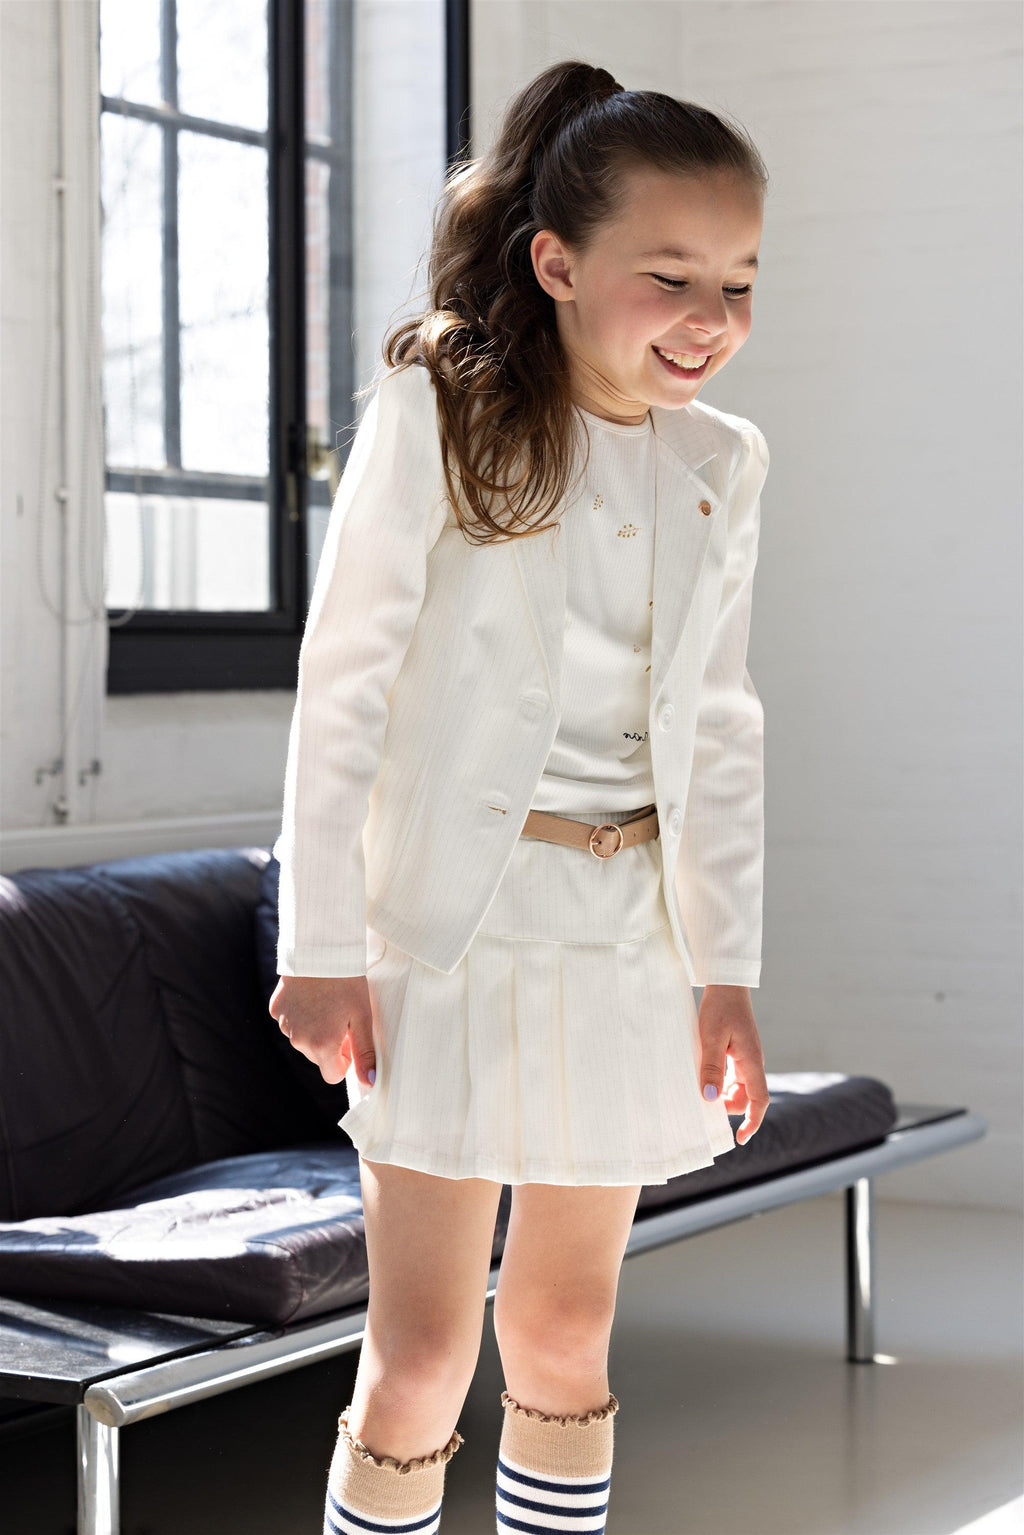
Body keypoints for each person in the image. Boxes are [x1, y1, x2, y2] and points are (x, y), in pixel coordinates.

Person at [270, 57, 772, 1535]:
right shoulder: (441, 412)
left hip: (630, 941)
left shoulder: (724, 463)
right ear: (557, 265)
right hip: (450, 941)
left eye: (740, 284)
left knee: (562, 1339)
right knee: (422, 1360)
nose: (709, 317)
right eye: (670, 276)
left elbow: (720, 726)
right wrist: (320, 944)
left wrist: (727, 971)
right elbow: (342, 688)